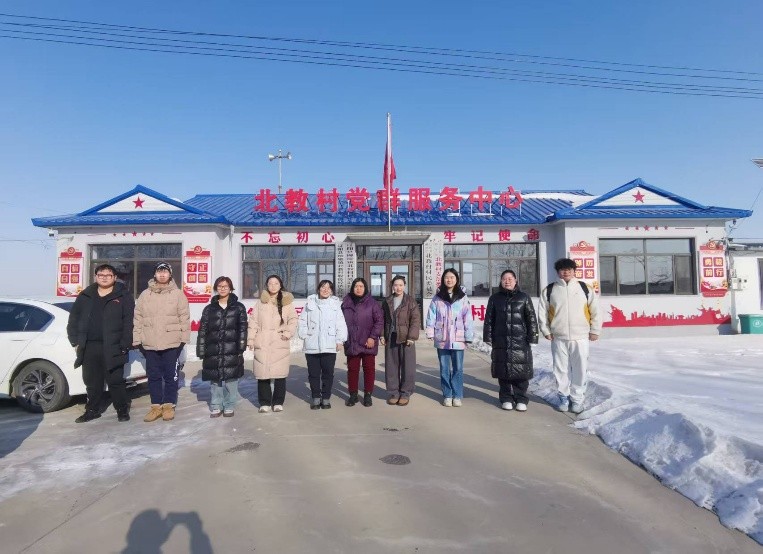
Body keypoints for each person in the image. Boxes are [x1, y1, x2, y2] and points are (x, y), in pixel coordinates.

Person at [67, 264, 135, 423]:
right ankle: (92, 410)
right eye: (101, 275)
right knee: (92, 382)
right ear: (95, 277)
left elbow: (129, 322)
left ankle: (122, 410)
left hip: (113, 346)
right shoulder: (85, 295)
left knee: (115, 381)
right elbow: (74, 318)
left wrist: (125, 343)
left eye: (108, 275)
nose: (104, 277)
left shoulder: (123, 296)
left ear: (115, 278)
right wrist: (75, 341)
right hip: (89, 346)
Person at [538, 258, 602, 414]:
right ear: (558, 272)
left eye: (569, 269)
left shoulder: (584, 288)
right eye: (562, 269)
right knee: (560, 369)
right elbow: (542, 312)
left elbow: (595, 310)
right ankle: (563, 397)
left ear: (574, 271)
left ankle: (577, 399)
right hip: (558, 337)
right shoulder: (550, 290)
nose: (565, 272)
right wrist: (546, 331)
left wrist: (595, 330)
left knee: (580, 369)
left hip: (581, 336)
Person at [133, 262, 190, 422]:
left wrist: (183, 340)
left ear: (170, 274)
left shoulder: (178, 294)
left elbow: (184, 318)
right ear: (155, 274)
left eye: (165, 272)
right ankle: (156, 406)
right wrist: (137, 340)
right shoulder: (145, 295)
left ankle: (168, 405)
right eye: (159, 271)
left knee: (171, 376)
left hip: (172, 342)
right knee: (153, 376)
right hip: (150, 343)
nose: (162, 274)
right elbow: (138, 318)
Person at [483, 269, 539, 411]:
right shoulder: (494, 298)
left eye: (510, 279)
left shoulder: (524, 297)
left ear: (515, 281)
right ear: (501, 281)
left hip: (520, 340)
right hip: (500, 340)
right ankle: (506, 398)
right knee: (503, 371)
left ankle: (521, 399)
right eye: (504, 279)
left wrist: (533, 336)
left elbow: (531, 318)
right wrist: (488, 336)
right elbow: (489, 319)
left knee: (521, 370)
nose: (507, 281)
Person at [196, 277, 248, 418]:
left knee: (231, 379)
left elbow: (243, 329)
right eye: (219, 286)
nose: (222, 288)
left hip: (232, 349)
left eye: (225, 286)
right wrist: (201, 349)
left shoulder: (238, 307)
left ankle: (229, 405)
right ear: (216, 288)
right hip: (213, 349)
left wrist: (241, 347)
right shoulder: (209, 309)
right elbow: (202, 330)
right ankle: (216, 405)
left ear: (230, 288)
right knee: (215, 380)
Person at [247, 275, 297, 413]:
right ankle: (264, 403)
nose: (273, 286)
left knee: (280, 374)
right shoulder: (260, 303)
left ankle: (278, 402)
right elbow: (253, 322)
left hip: (279, 341)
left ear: (280, 285)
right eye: (270, 283)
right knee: (262, 374)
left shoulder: (287, 302)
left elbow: (293, 320)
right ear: (267, 285)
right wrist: (251, 339)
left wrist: (287, 333)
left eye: (276, 283)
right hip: (262, 341)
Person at [425, 268, 474, 407]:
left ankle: (457, 395)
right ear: (443, 279)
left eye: (452, 277)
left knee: (458, 368)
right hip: (442, 338)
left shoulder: (462, 297)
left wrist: (468, 335)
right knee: (444, 368)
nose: (449, 280)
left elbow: (468, 317)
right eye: (447, 277)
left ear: (456, 279)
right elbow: (431, 316)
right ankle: (447, 395)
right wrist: (430, 332)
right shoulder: (437, 297)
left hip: (458, 338)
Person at [297, 280, 348, 410]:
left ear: (331, 291)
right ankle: (315, 397)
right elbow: (302, 321)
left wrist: (340, 340)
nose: (325, 290)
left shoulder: (335, 305)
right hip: (312, 344)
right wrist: (304, 334)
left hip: (330, 345)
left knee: (328, 374)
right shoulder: (310, 303)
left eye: (328, 288)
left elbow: (340, 324)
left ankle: (325, 398)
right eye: (323, 287)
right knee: (313, 374)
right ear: (318, 289)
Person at [341, 277, 383, 407]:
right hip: (352, 341)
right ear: (352, 288)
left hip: (368, 342)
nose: (358, 289)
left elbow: (379, 321)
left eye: (361, 286)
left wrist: (372, 337)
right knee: (352, 369)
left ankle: (368, 395)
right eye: (356, 286)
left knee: (369, 369)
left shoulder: (372, 303)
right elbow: (339, 321)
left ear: (365, 288)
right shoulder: (346, 303)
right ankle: (353, 395)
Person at [380, 275, 420, 406]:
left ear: (404, 286)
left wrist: (412, 337)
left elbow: (415, 320)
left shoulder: (410, 301)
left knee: (408, 367)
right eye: (396, 285)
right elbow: (382, 320)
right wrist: (382, 335)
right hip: (391, 336)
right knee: (391, 366)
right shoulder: (387, 301)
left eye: (401, 285)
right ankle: (393, 392)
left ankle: (405, 393)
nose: (398, 288)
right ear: (392, 286)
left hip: (406, 338)